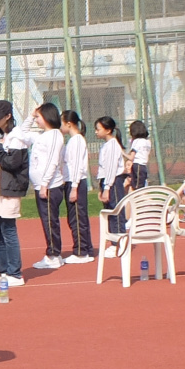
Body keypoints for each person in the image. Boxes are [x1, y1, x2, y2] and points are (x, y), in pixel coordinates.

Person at [0, 101, 29, 285]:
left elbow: (12, 163)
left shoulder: (16, 137)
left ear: (8, 116)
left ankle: (15, 273)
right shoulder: (3, 136)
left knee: (8, 231)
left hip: (10, 188)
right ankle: (3, 270)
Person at [28, 101, 67, 268]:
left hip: (50, 187)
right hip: (42, 186)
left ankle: (54, 255)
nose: (37, 120)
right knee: (47, 221)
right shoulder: (41, 135)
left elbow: (52, 161)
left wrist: (44, 184)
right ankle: (54, 253)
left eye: (38, 117)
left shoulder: (55, 135)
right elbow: (22, 133)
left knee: (50, 221)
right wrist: (30, 116)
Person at [60, 108, 94, 263]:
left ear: (68, 123)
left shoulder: (77, 140)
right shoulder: (72, 141)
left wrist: (74, 187)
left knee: (77, 218)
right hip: (72, 182)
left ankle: (81, 252)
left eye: (61, 123)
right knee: (75, 217)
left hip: (76, 182)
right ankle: (86, 249)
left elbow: (78, 165)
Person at [93, 115, 128, 251]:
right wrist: (101, 187)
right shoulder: (106, 145)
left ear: (108, 130)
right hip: (107, 181)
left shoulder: (113, 145)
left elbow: (111, 168)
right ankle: (114, 242)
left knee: (116, 211)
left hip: (114, 182)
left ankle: (119, 243)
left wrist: (107, 187)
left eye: (98, 129)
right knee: (109, 211)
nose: (96, 132)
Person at [128, 120, 152, 189]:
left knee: (137, 187)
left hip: (137, 165)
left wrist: (121, 152)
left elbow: (131, 157)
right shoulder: (148, 142)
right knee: (141, 186)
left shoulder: (136, 141)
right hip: (144, 166)